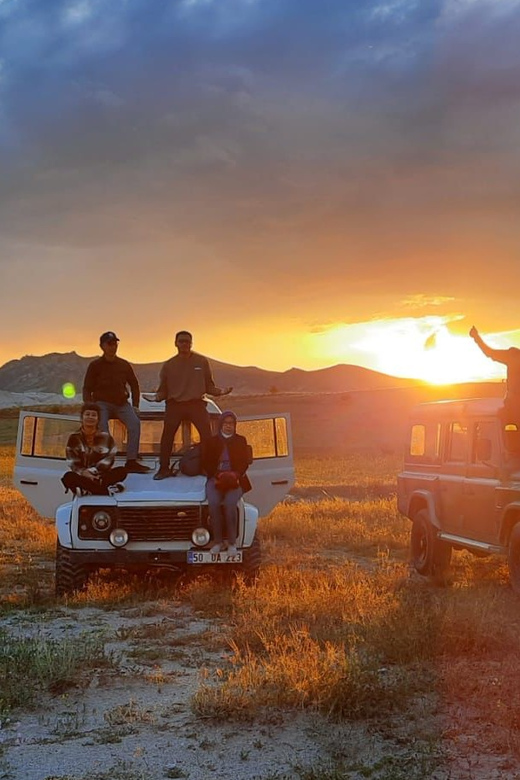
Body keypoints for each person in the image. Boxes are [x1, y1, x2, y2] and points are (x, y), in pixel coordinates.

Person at [150, 330, 232, 480]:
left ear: (191, 343)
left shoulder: (201, 362)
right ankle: (163, 469)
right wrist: (156, 398)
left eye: (187, 341)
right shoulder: (169, 365)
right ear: (176, 343)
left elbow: (209, 386)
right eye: (181, 341)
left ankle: (208, 468)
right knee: (167, 436)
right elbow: (163, 390)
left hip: (196, 404)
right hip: (175, 405)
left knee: (207, 436)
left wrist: (221, 392)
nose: (184, 344)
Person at [82, 331, 150, 473]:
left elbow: (134, 384)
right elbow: (87, 388)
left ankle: (131, 461)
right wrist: (89, 408)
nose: (113, 346)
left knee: (135, 424)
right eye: (110, 344)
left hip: (121, 403)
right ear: (102, 346)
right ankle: (105, 461)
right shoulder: (95, 365)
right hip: (102, 403)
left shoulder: (123, 365)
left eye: (115, 343)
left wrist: (136, 405)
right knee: (102, 428)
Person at [201, 410, 252, 555]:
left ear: (235, 425)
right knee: (213, 504)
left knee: (230, 505)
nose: (229, 426)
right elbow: (206, 462)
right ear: (220, 425)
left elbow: (244, 463)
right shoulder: (211, 441)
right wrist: (217, 475)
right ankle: (217, 542)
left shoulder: (241, 440)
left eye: (231, 423)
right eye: (226, 423)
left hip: (235, 480)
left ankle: (232, 543)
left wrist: (235, 474)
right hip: (215, 479)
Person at [61, 403, 128, 495]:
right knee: (68, 476)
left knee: (122, 471)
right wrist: (84, 472)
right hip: (83, 475)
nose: (90, 417)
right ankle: (104, 489)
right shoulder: (74, 438)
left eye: (93, 415)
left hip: (101, 475)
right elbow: (72, 461)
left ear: (98, 419)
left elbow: (109, 459)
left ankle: (89, 488)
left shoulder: (106, 437)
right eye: (87, 414)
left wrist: (95, 473)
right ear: (82, 417)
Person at [470, 326, 520, 418]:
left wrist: (476, 337)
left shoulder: (513, 356)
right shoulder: (514, 355)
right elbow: (490, 353)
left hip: (513, 407)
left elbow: (489, 353)